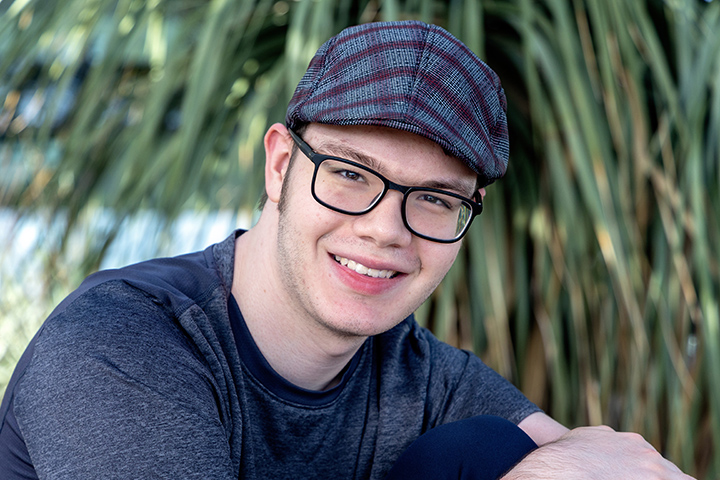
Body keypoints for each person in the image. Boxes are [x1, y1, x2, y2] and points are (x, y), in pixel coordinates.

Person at [0, 20, 693, 480]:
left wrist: (556, 463)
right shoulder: (122, 346)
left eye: (433, 198)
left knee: (491, 453)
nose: (385, 229)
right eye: (351, 174)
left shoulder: (413, 373)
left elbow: (621, 462)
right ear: (279, 167)